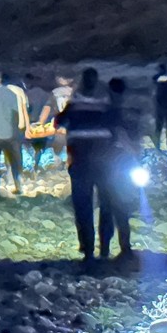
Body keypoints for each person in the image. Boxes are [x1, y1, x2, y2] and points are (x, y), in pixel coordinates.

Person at [56, 68, 113, 261]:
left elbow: (58, 122)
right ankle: (105, 248)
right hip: (104, 162)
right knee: (106, 204)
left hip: (80, 161)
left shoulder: (74, 104)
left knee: (83, 205)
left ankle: (88, 249)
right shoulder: (106, 103)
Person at [99, 77, 143, 259]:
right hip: (121, 163)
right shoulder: (125, 114)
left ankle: (104, 250)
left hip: (104, 163)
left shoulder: (103, 112)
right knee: (121, 208)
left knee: (106, 208)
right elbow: (131, 141)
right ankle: (125, 248)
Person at [23, 73, 54, 174]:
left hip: (29, 124)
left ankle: (29, 166)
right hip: (42, 125)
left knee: (28, 145)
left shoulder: (26, 94)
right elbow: (49, 109)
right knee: (39, 147)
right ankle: (36, 165)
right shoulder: (48, 95)